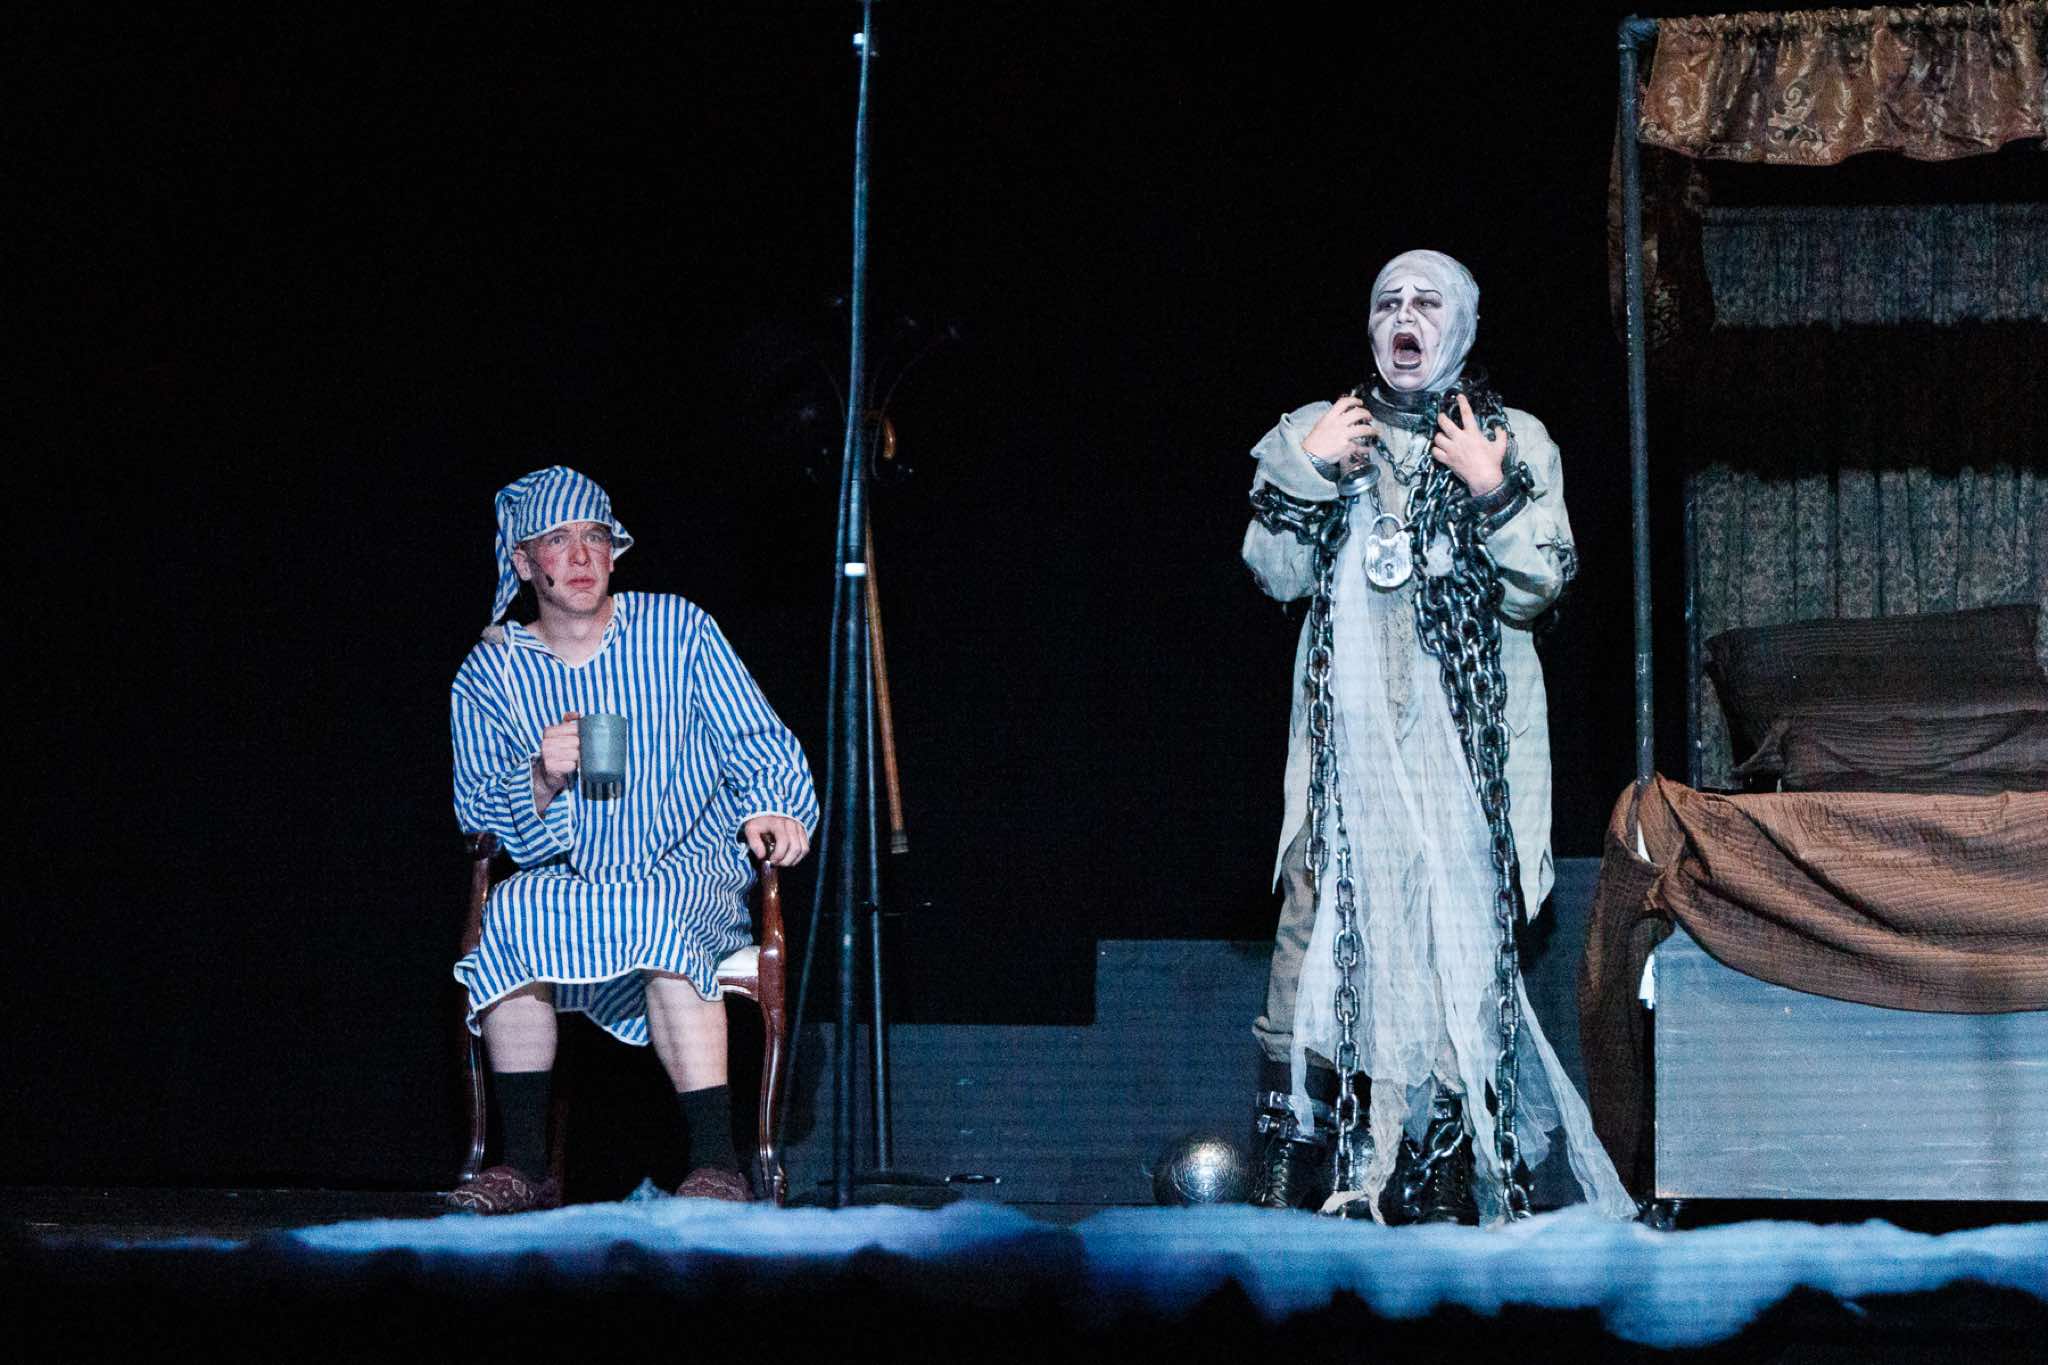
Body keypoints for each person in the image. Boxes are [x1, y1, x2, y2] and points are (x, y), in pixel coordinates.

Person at [1240, 250, 1632, 1224]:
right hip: (1347, 763)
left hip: (1465, 757)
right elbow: (1273, 572)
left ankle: (1444, 1174)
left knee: (1457, 951)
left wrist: (1491, 487)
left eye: (1425, 302)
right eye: (1387, 303)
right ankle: (1290, 1172)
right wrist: (1308, 467)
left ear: (1461, 323)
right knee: (1311, 941)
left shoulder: (1513, 438)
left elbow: (1541, 583)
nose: (1404, 318)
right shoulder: (1320, 428)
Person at [446, 466, 817, 1214]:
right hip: (574, 874)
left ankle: (717, 1162)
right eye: (558, 539)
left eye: (595, 537)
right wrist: (540, 778)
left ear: (614, 552)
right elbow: (477, 815)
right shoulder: (493, 672)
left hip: (684, 860)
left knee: (655, 911)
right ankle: (523, 1166)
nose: (581, 554)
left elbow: (757, 737)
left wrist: (775, 809)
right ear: (525, 562)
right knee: (512, 913)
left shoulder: (677, 630)